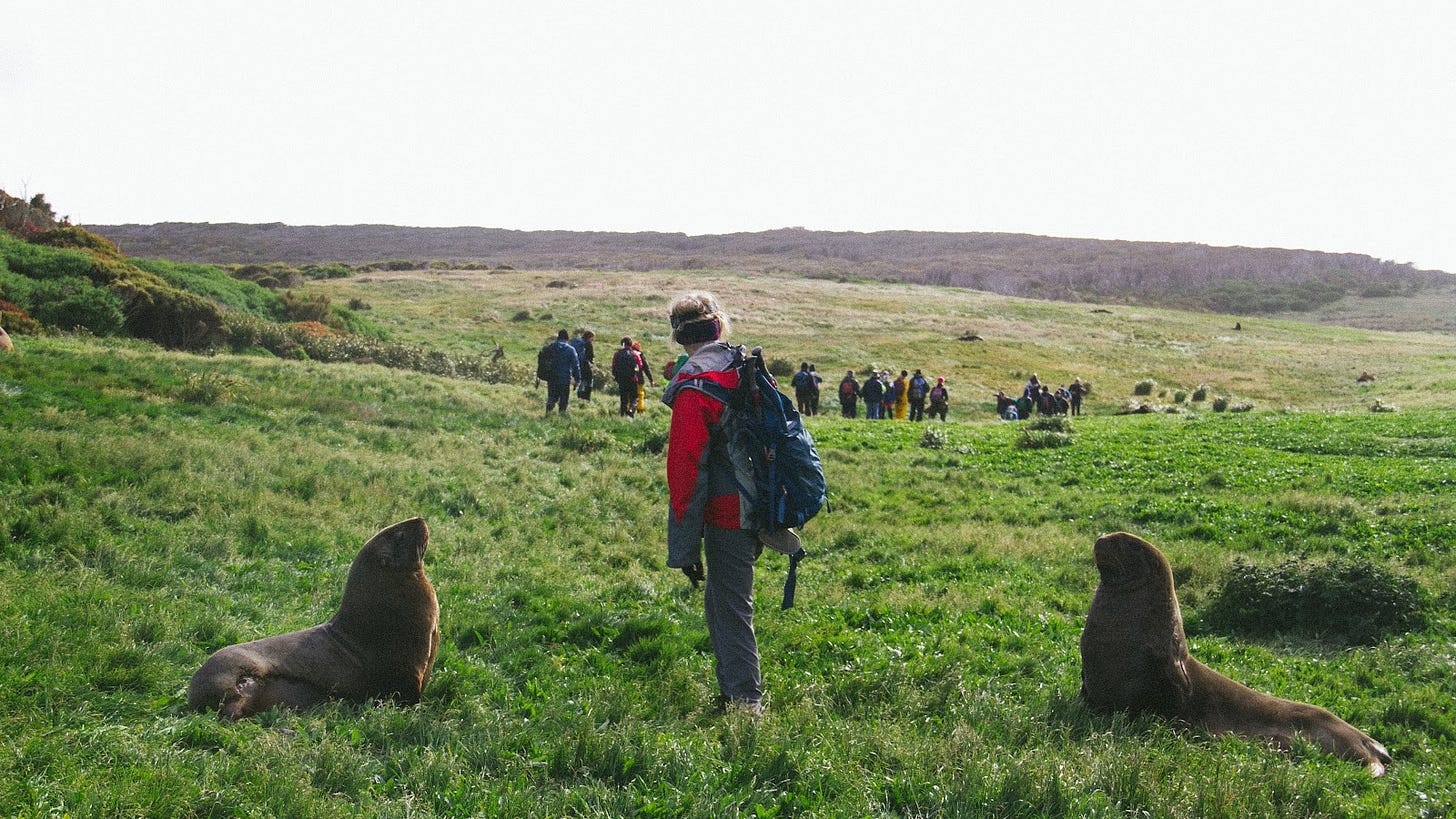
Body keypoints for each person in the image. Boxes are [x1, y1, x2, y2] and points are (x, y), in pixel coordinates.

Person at [660, 291, 765, 715]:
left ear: (679, 336)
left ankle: (745, 702)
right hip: (759, 501)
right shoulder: (742, 366)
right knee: (725, 601)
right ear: (718, 326)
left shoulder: (695, 387)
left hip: (726, 512)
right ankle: (735, 693)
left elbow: (685, 474)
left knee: (730, 605)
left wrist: (682, 548)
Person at [542, 329, 580, 416]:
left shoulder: (550, 347)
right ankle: (561, 416)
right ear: (567, 338)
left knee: (551, 397)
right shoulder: (571, 350)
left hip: (552, 377)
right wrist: (578, 379)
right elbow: (576, 366)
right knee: (564, 399)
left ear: (558, 338)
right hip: (565, 378)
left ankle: (548, 414)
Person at [612, 336, 642, 416]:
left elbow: (614, 366)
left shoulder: (617, 354)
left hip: (621, 379)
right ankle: (631, 410)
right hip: (633, 379)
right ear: (631, 344)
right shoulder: (635, 354)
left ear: (622, 344)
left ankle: (622, 414)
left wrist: (616, 377)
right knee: (634, 398)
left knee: (623, 398)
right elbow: (640, 366)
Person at [570, 330, 596, 400]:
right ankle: (586, 396)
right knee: (590, 380)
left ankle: (580, 396)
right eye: (592, 338)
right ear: (590, 337)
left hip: (575, 363)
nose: (593, 340)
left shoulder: (577, 341)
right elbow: (591, 356)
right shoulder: (588, 343)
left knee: (581, 379)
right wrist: (591, 363)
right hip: (584, 364)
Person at [632, 340, 655, 414]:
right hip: (640, 379)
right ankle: (640, 410)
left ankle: (629, 409)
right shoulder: (640, 355)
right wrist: (651, 380)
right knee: (640, 395)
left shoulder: (628, 354)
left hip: (630, 379)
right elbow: (646, 368)